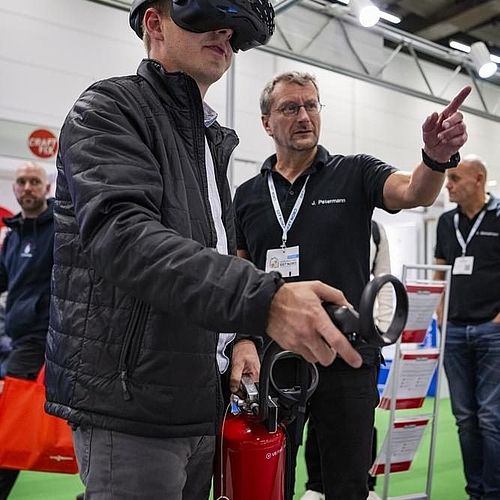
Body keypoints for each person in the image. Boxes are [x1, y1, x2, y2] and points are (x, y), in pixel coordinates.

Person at [43, 2, 364, 499]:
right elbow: (124, 237)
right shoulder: (109, 110)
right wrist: (265, 301)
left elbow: (217, 250)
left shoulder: (209, 140)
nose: (223, 32)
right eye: (202, 16)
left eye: (231, 27)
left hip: (201, 397)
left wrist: (238, 337)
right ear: (154, 24)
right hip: (134, 404)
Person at [233, 71, 470, 500]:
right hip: (274, 358)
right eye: (290, 108)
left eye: (311, 105)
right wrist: (242, 342)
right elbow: (240, 273)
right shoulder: (248, 195)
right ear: (266, 122)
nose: (304, 116)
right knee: (271, 482)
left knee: (347, 484)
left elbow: (413, 191)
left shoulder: (355, 173)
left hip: (347, 357)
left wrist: (435, 159)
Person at [302, 220, 392, 500]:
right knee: (316, 420)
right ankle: (316, 484)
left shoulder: (375, 231)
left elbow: (383, 282)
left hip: (358, 342)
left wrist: (382, 329)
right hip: (308, 339)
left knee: (359, 421)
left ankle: (366, 484)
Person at [433, 155, 500, 500]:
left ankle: (492, 492)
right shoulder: (446, 223)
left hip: (493, 332)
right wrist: (441, 316)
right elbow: (439, 271)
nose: (448, 185)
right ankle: (475, 492)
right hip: (454, 332)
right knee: (464, 418)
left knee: (490, 417)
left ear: (478, 178)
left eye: (455, 178)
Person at [0, 162, 53, 499]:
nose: (28, 187)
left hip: (45, 340)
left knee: (11, 422)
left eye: (35, 181)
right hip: (18, 337)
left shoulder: (61, 229)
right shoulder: (13, 234)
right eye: (22, 182)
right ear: (15, 189)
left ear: (46, 188)